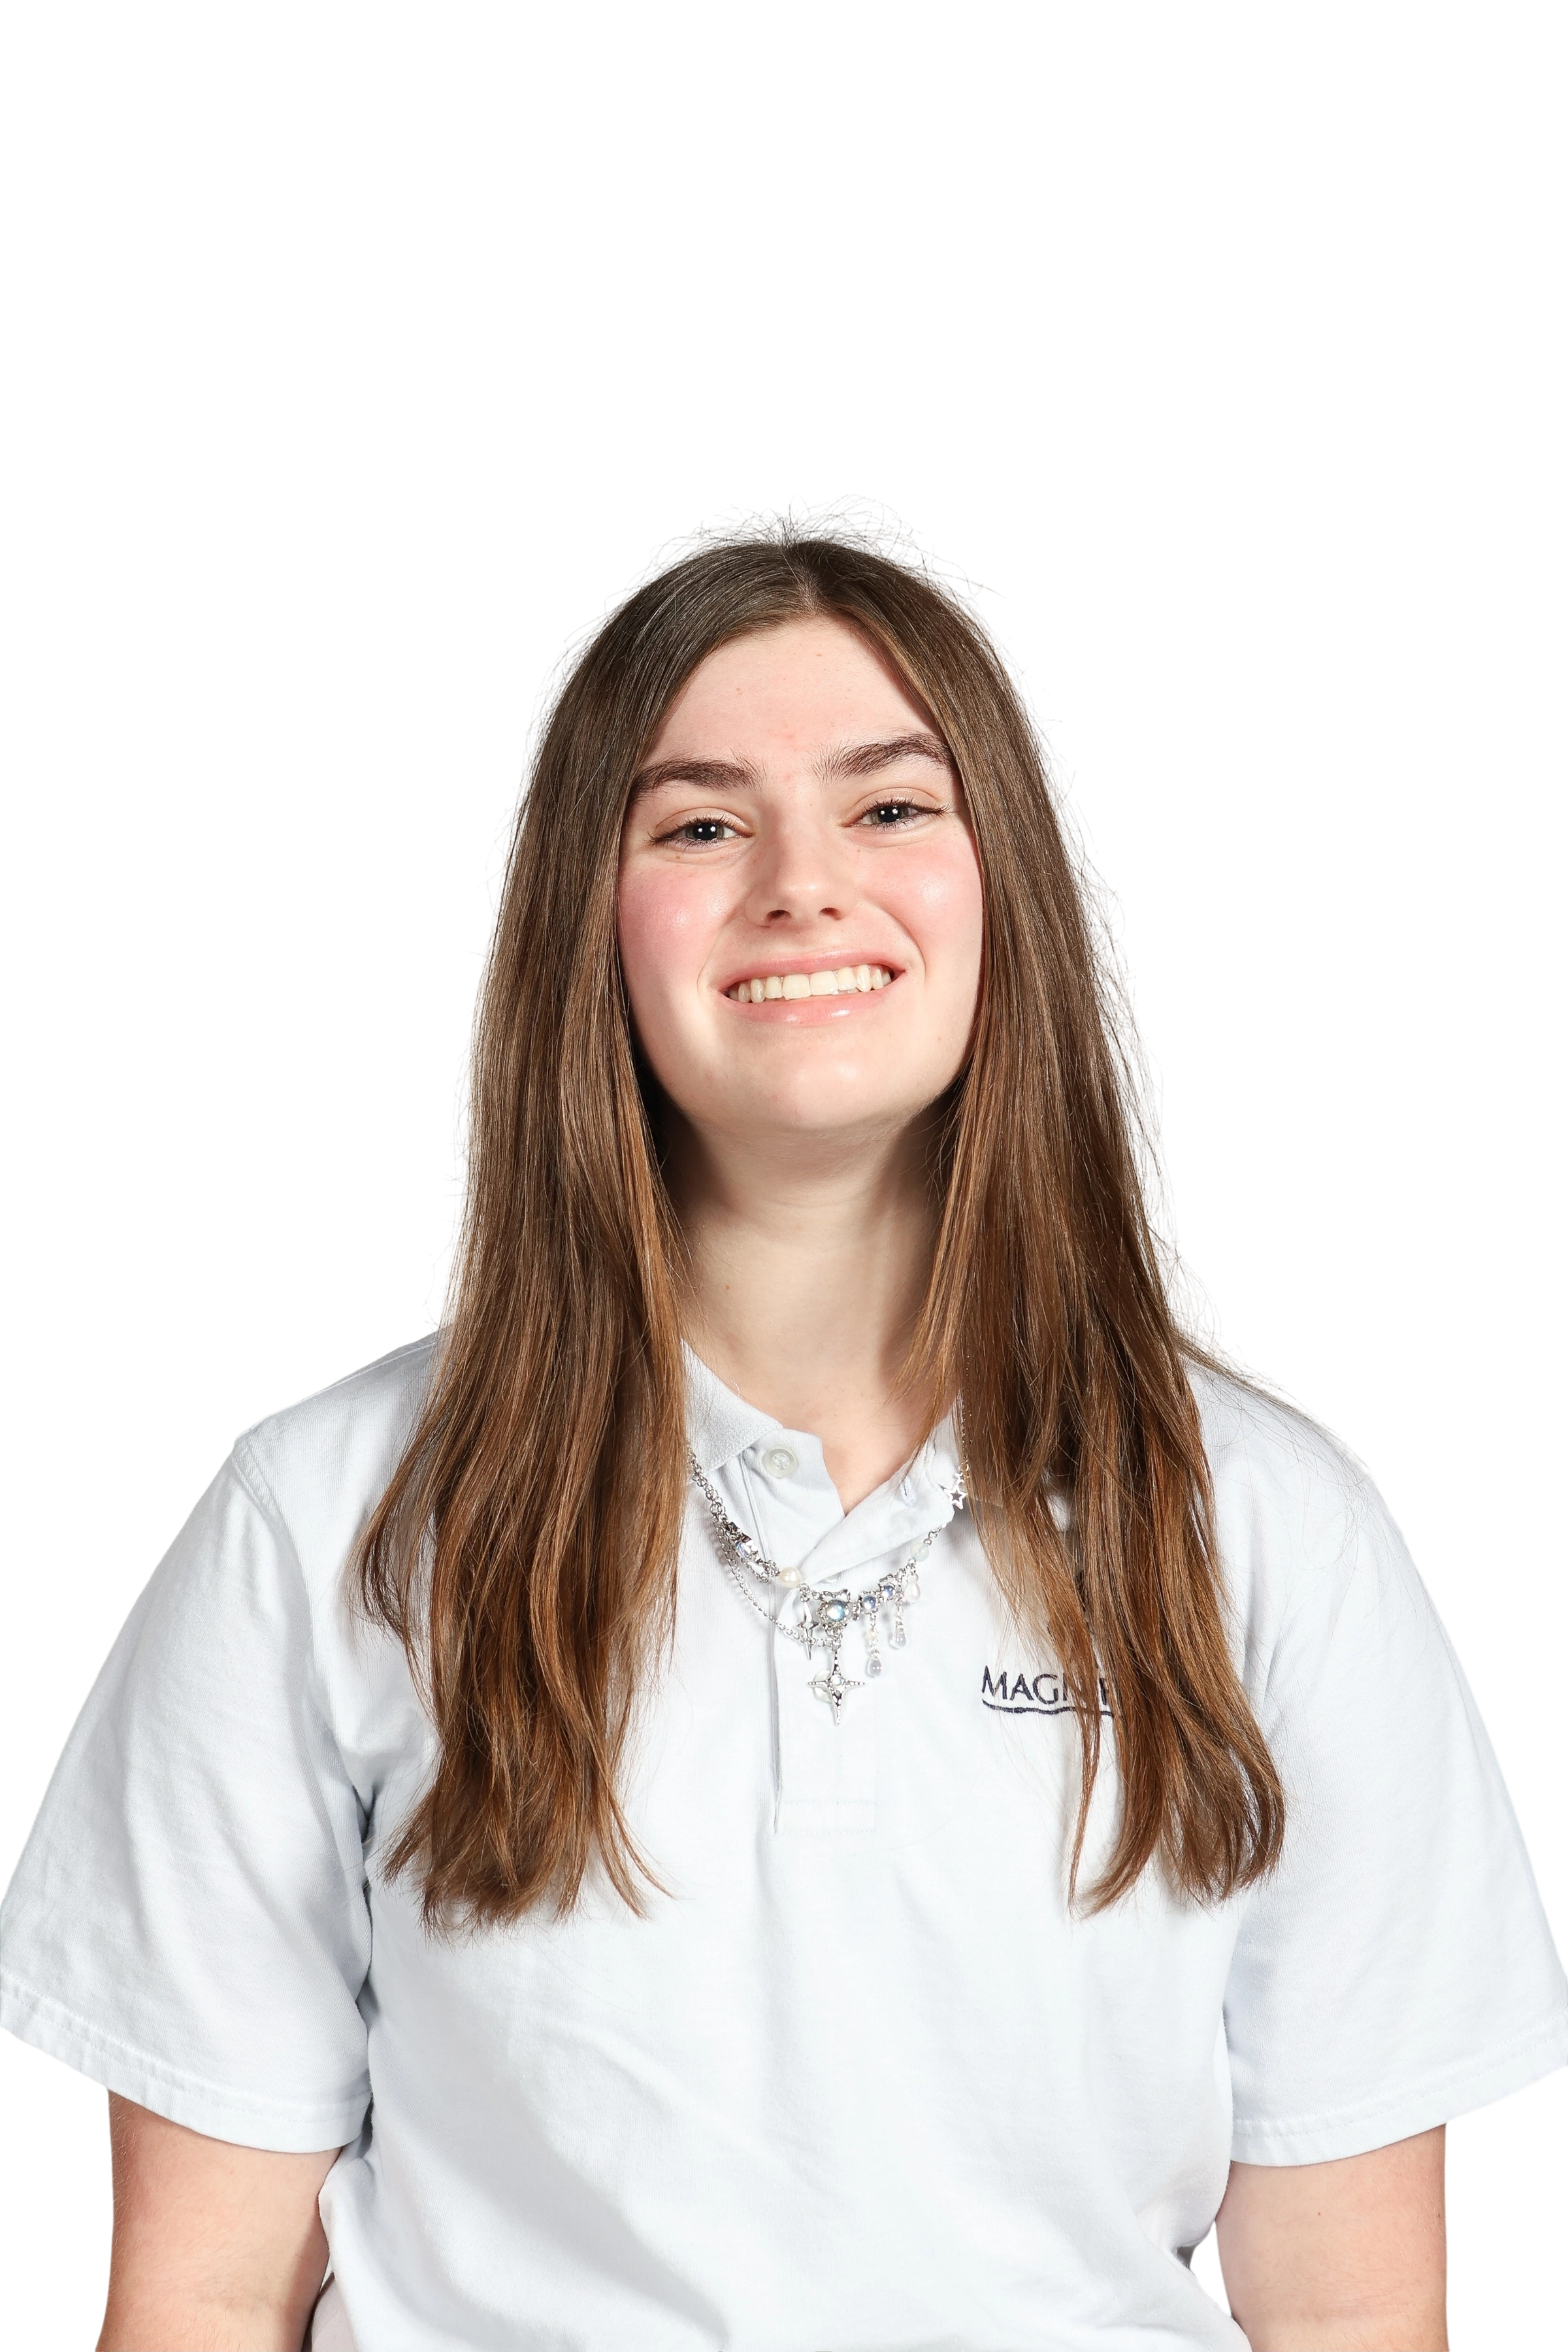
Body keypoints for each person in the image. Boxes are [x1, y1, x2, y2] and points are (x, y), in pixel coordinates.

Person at [2, 498, 1562, 2352]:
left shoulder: (1268, 1527)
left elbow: (1354, 2311)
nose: (802, 885)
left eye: (890, 805)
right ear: (592, 928)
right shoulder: (326, 1513)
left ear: (1010, 886)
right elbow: (195, 2298)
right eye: (701, 824)